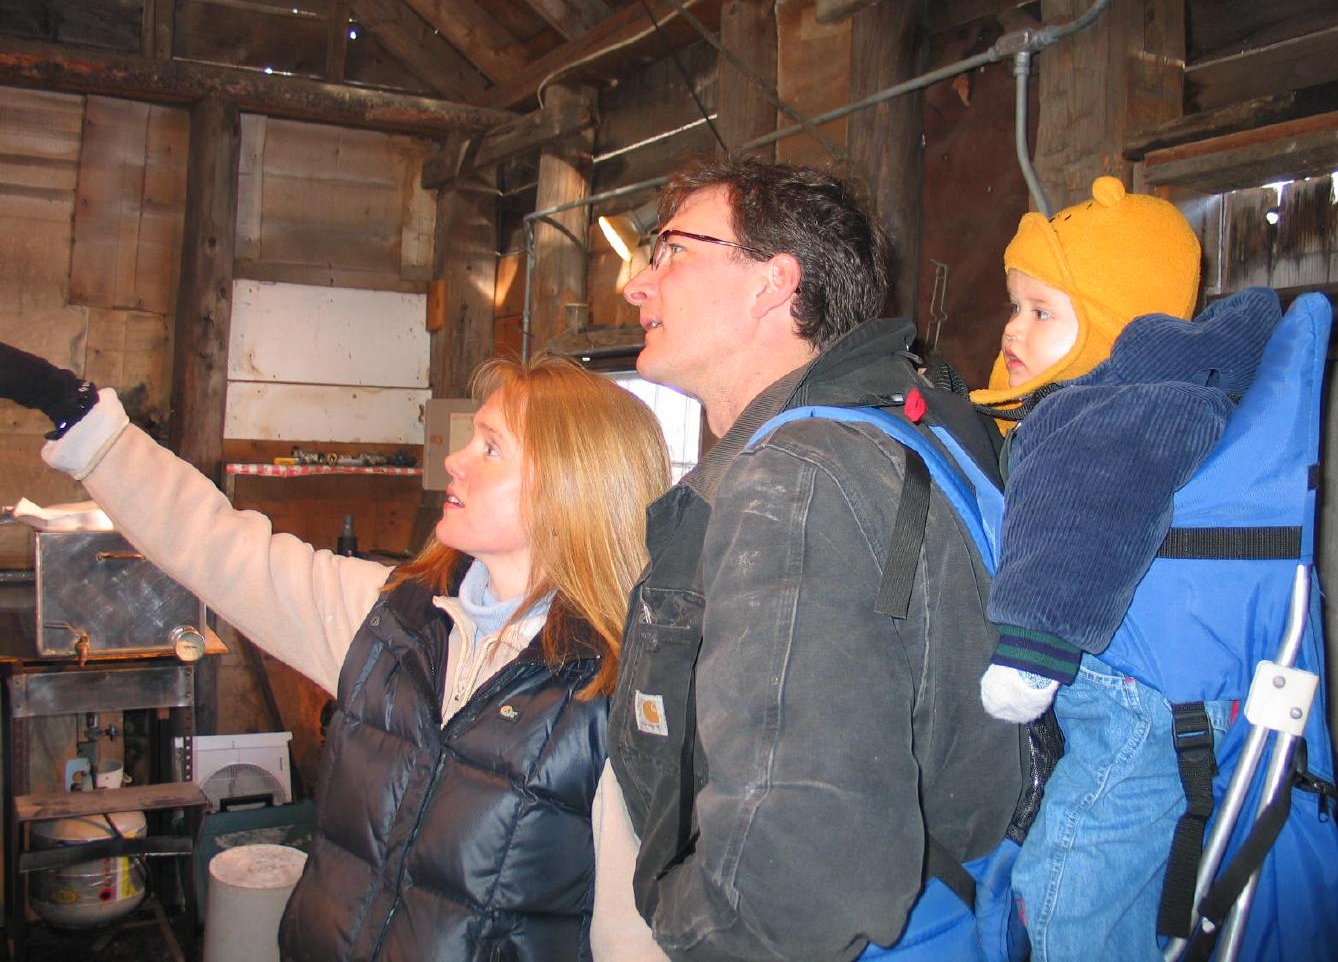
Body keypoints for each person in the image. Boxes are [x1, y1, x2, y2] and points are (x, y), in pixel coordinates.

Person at [0, 346, 672, 961]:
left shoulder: (615, 696)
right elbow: (215, 545)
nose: (455, 459)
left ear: (569, 488)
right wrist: (79, 414)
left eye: (491, 448)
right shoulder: (390, 620)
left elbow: (629, 941)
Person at [601, 157, 1029, 960]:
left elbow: (794, 876)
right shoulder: (898, 430)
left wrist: (681, 931)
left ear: (773, 282)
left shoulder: (796, 479)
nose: (638, 284)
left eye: (672, 250)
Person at [967, 176, 1285, 959]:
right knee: (1113, 873)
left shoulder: (1102, 415)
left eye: (1041, 311)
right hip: (1157, 696)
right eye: (1015, 305)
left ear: (1114, 324)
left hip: (1131, 706)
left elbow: (1079, 532)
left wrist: (1031, 653)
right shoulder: (1152, 397)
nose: (1012, 327)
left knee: (1069, 884)